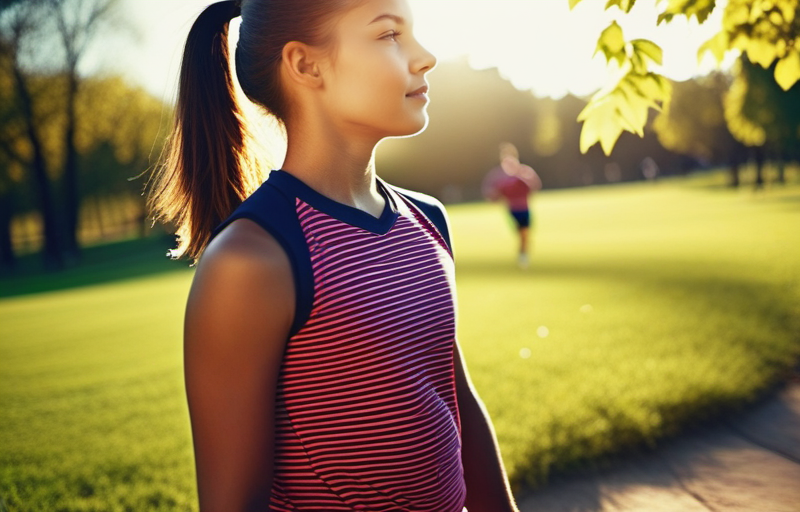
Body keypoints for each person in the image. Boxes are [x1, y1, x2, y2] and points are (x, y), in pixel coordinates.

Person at [147, 1, 519, 511]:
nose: (426, 57)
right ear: (305, 65)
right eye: (390, 35)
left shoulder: (427, 219)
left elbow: (457, 404)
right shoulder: (255, 258)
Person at [482, 143, 542, 269]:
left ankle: (523, 255)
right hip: (512, 210)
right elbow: (490, 192)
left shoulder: (524, 171)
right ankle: (522, 255)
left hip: (525, 208)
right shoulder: (498, 175)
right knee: (521, 233)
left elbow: (535, 186)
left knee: (525, 234)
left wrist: (522, 181)